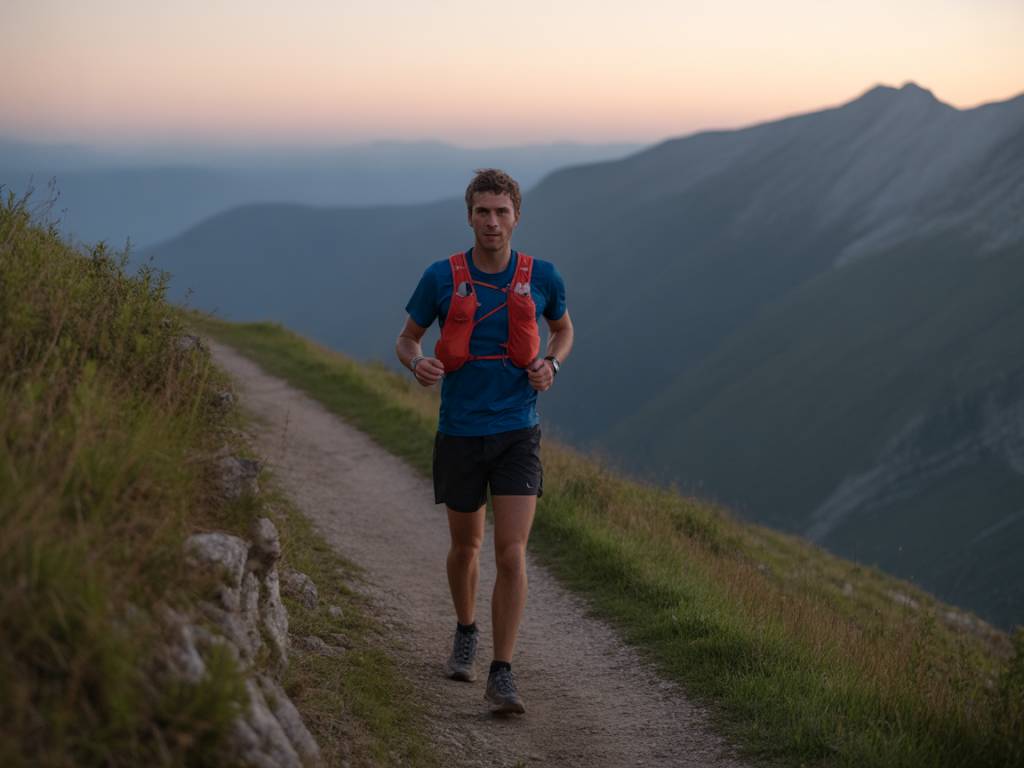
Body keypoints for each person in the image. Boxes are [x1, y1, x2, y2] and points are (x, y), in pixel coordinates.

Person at [395, 168, 573, 714]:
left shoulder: (542, 275)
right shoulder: (440, 277)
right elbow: (407, 338)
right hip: (460, 432)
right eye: (482, 211)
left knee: (512, 552)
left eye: (501, 211)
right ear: (469, 216)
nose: (492, 221)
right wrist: (418, 363)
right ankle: (466, 629)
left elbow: (563, 331)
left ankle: (502, 671)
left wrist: (550, 364)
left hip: (518, 431)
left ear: (517, 215)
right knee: (466, 547)